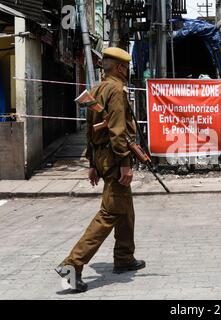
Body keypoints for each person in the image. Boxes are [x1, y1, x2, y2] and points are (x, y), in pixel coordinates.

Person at [55, 47, 145, 293]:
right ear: (118, 68)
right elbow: (117, 132)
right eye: (125, 67)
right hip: (116, 160)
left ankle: (124, 257)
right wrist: (125, 165)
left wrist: (93, 163)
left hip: (103, 158)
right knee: (110, 213)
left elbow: (92, 128)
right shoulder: (115, 90)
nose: (127, 71)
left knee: (125, 209)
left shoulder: (98, 89)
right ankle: (71, 266)